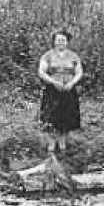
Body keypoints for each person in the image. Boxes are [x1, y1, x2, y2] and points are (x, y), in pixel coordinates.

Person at [36, 29, 84, 159]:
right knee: (52, 118)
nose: (60, 42)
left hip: (68, 90)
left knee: (66, 118)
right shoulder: (48, 55)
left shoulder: (73, 56)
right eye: (58, 40)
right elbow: (41, 71)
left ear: (67, 42)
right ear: (54, 41)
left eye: (63, 40)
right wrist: (53, 82)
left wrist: (72, 83)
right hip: (52, 91)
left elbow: (79, 72)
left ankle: (62, 145)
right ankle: (51, 147)